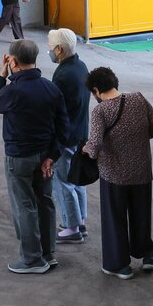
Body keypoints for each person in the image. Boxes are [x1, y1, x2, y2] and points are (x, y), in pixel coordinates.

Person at [0, 39, 68, 273]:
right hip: (45, 156)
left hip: (19, 157)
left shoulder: (13, 91)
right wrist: (52, 156)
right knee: (45, 202)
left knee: (24, 206)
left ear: (13, 61)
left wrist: (2, 76)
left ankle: (31, 259)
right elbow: (63, 127)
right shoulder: (51, 88)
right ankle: (47, 253)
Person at [84, 67, 153, 278]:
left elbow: (94, 146)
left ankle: (119, 265)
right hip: (142, 171)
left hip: (114, 174)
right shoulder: (139, 99)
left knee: (115, 219)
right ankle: (146, 256)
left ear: (96, 90)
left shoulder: (100, 111)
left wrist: (85, 149)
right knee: (141, 215)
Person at [48, 28, 91, 243]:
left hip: (66, 136)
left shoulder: (62, 75)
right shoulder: (81, 66)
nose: (49, 51)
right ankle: (80, 221)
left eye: (50, 48)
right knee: (77, 179)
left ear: (59, 49)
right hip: (81, 132)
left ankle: (71, 226)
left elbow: (55, 110)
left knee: (63, 181)